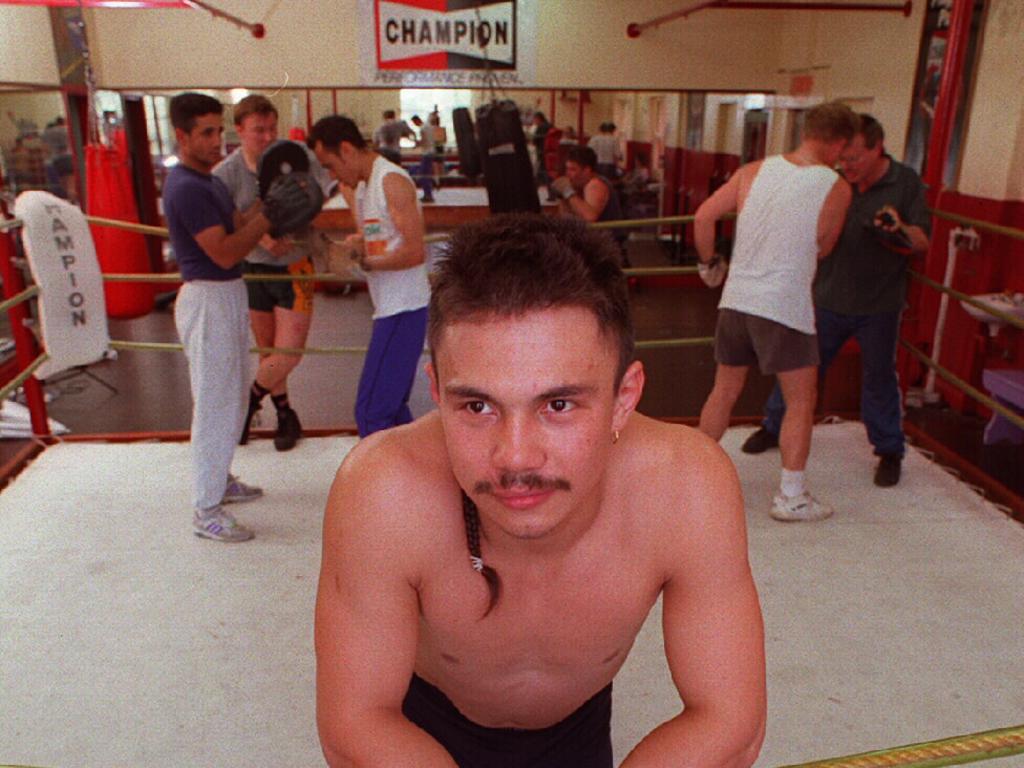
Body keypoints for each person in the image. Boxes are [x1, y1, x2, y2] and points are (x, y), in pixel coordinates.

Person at [315, 213, 766, 768]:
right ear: (436, 392)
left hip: (577, 732)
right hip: (416, 734)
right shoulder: (381, 490)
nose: (517, 458)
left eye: (558, 405)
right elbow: (353, 723)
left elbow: (729, 721)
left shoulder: (688, 485)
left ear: (625, 397)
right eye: (477, 406)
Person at [743, 114, 931, 488]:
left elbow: (922, 240)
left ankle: (889, 450)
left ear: (878, 149)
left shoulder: (905, 182)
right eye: (842, 157)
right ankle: (773, 426)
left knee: (879, 376)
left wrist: (897, 228)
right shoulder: (831, 180)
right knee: (799, 370)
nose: (846, 165)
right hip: (827, 297)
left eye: (855, 157)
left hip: (879, 304)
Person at [694, 101, 857, 522]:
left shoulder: (753, 170)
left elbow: (704, 216)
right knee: (801, 400)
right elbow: (825, 244)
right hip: (784, 305)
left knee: (724, 391)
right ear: (839, 143)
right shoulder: (836, 186)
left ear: (806, 131)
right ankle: (791, 496)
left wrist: (709, 263)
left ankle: (692, 480)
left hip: (736, 299)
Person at [164, 92, 272, 542]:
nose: (216, 141)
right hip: (207, 296)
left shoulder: (211, 182)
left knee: (234, 394)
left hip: (229, 294)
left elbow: (238, 222)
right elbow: (226, 251)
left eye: (219, 131)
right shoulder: (186, 187)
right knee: (213, 402)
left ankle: (220, 477)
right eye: (206, 133)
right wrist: (269, 221)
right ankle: (205, 509)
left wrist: (272, 201)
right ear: (182, 135)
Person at [214, 94, 333, 452]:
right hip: (252, 267)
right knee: (269, 352)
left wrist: (294, 226)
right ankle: (285, 415)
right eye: (257, 131)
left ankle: (246, 405)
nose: (267, 137)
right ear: (239, 131)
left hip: (294, 265)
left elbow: (317, 195)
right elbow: (227, 224)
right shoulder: (228, 173)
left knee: (289, 352)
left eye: (271, 128)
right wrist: (263, 235)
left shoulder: (297, 157)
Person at [307, 115, 430, 437]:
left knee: (371, 412)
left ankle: (380, 483)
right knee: (391, 408)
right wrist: (356, 245)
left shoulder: (392, 181)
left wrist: (364, 263)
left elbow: (416, 252)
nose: (333, 175)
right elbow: (378, 236)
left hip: (404, 309)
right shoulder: (364, 186)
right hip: (389, 308)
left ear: (346, 149)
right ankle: (419, 478)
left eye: (331, 165)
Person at [551, 144, 631, 267]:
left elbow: (589, 217)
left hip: (608, 247)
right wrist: (563, 197)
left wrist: (568, 192)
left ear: (587, 170)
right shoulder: (580, 187)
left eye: (573, 169)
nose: (568, 174)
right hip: (597, 245)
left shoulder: (595, 184)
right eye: (567, 169)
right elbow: (567, 219)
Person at [408, 114, 437, 203]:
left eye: (414, 123)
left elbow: (423, 141)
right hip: (432, 151)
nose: (415, 125)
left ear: (416, 121)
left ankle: (428, 195)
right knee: (426, 174)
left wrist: (415, 143)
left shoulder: (423, 129)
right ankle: (428, 194)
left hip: (427, 153)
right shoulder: (429, 126)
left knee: (424, 175)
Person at [531, 110, 551, 186]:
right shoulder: (550, 125)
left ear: (538, 118)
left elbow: (534, 141)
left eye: (534, 119)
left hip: (541, 151)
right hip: (550, 151)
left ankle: (536, 182)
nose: (534, 121)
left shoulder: (540, 127)